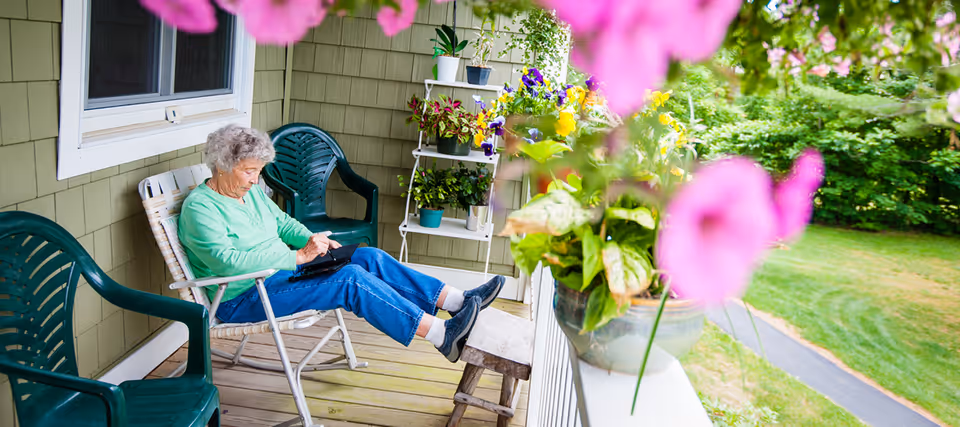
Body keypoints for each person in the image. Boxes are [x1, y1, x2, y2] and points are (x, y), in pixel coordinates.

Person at [178, 125, 504, 362]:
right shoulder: (200, 208)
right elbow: (226, 261)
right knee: (350, 280)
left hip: (276, 277)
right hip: (243, 296)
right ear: (222, 165)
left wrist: (311, 240)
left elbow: (282, 222)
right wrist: (297, 257)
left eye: (258, 172)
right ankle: (442, 336)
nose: (254, 180)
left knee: (367, 257)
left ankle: (459, 301)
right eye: (249, 172)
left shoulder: (248, 195)